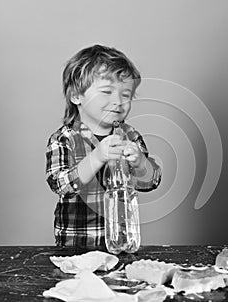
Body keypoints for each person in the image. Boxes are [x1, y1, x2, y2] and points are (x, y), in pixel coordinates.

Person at [46, 44, 162, 247]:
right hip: (77, 244)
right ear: (76, 96)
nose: (118, 101)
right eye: (107, 91)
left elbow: (151, 182)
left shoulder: (130, 135)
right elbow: (60, 185)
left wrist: (141, 163)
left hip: (122, 242)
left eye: (125, 95)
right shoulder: (64, 138)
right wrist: (96, 157)